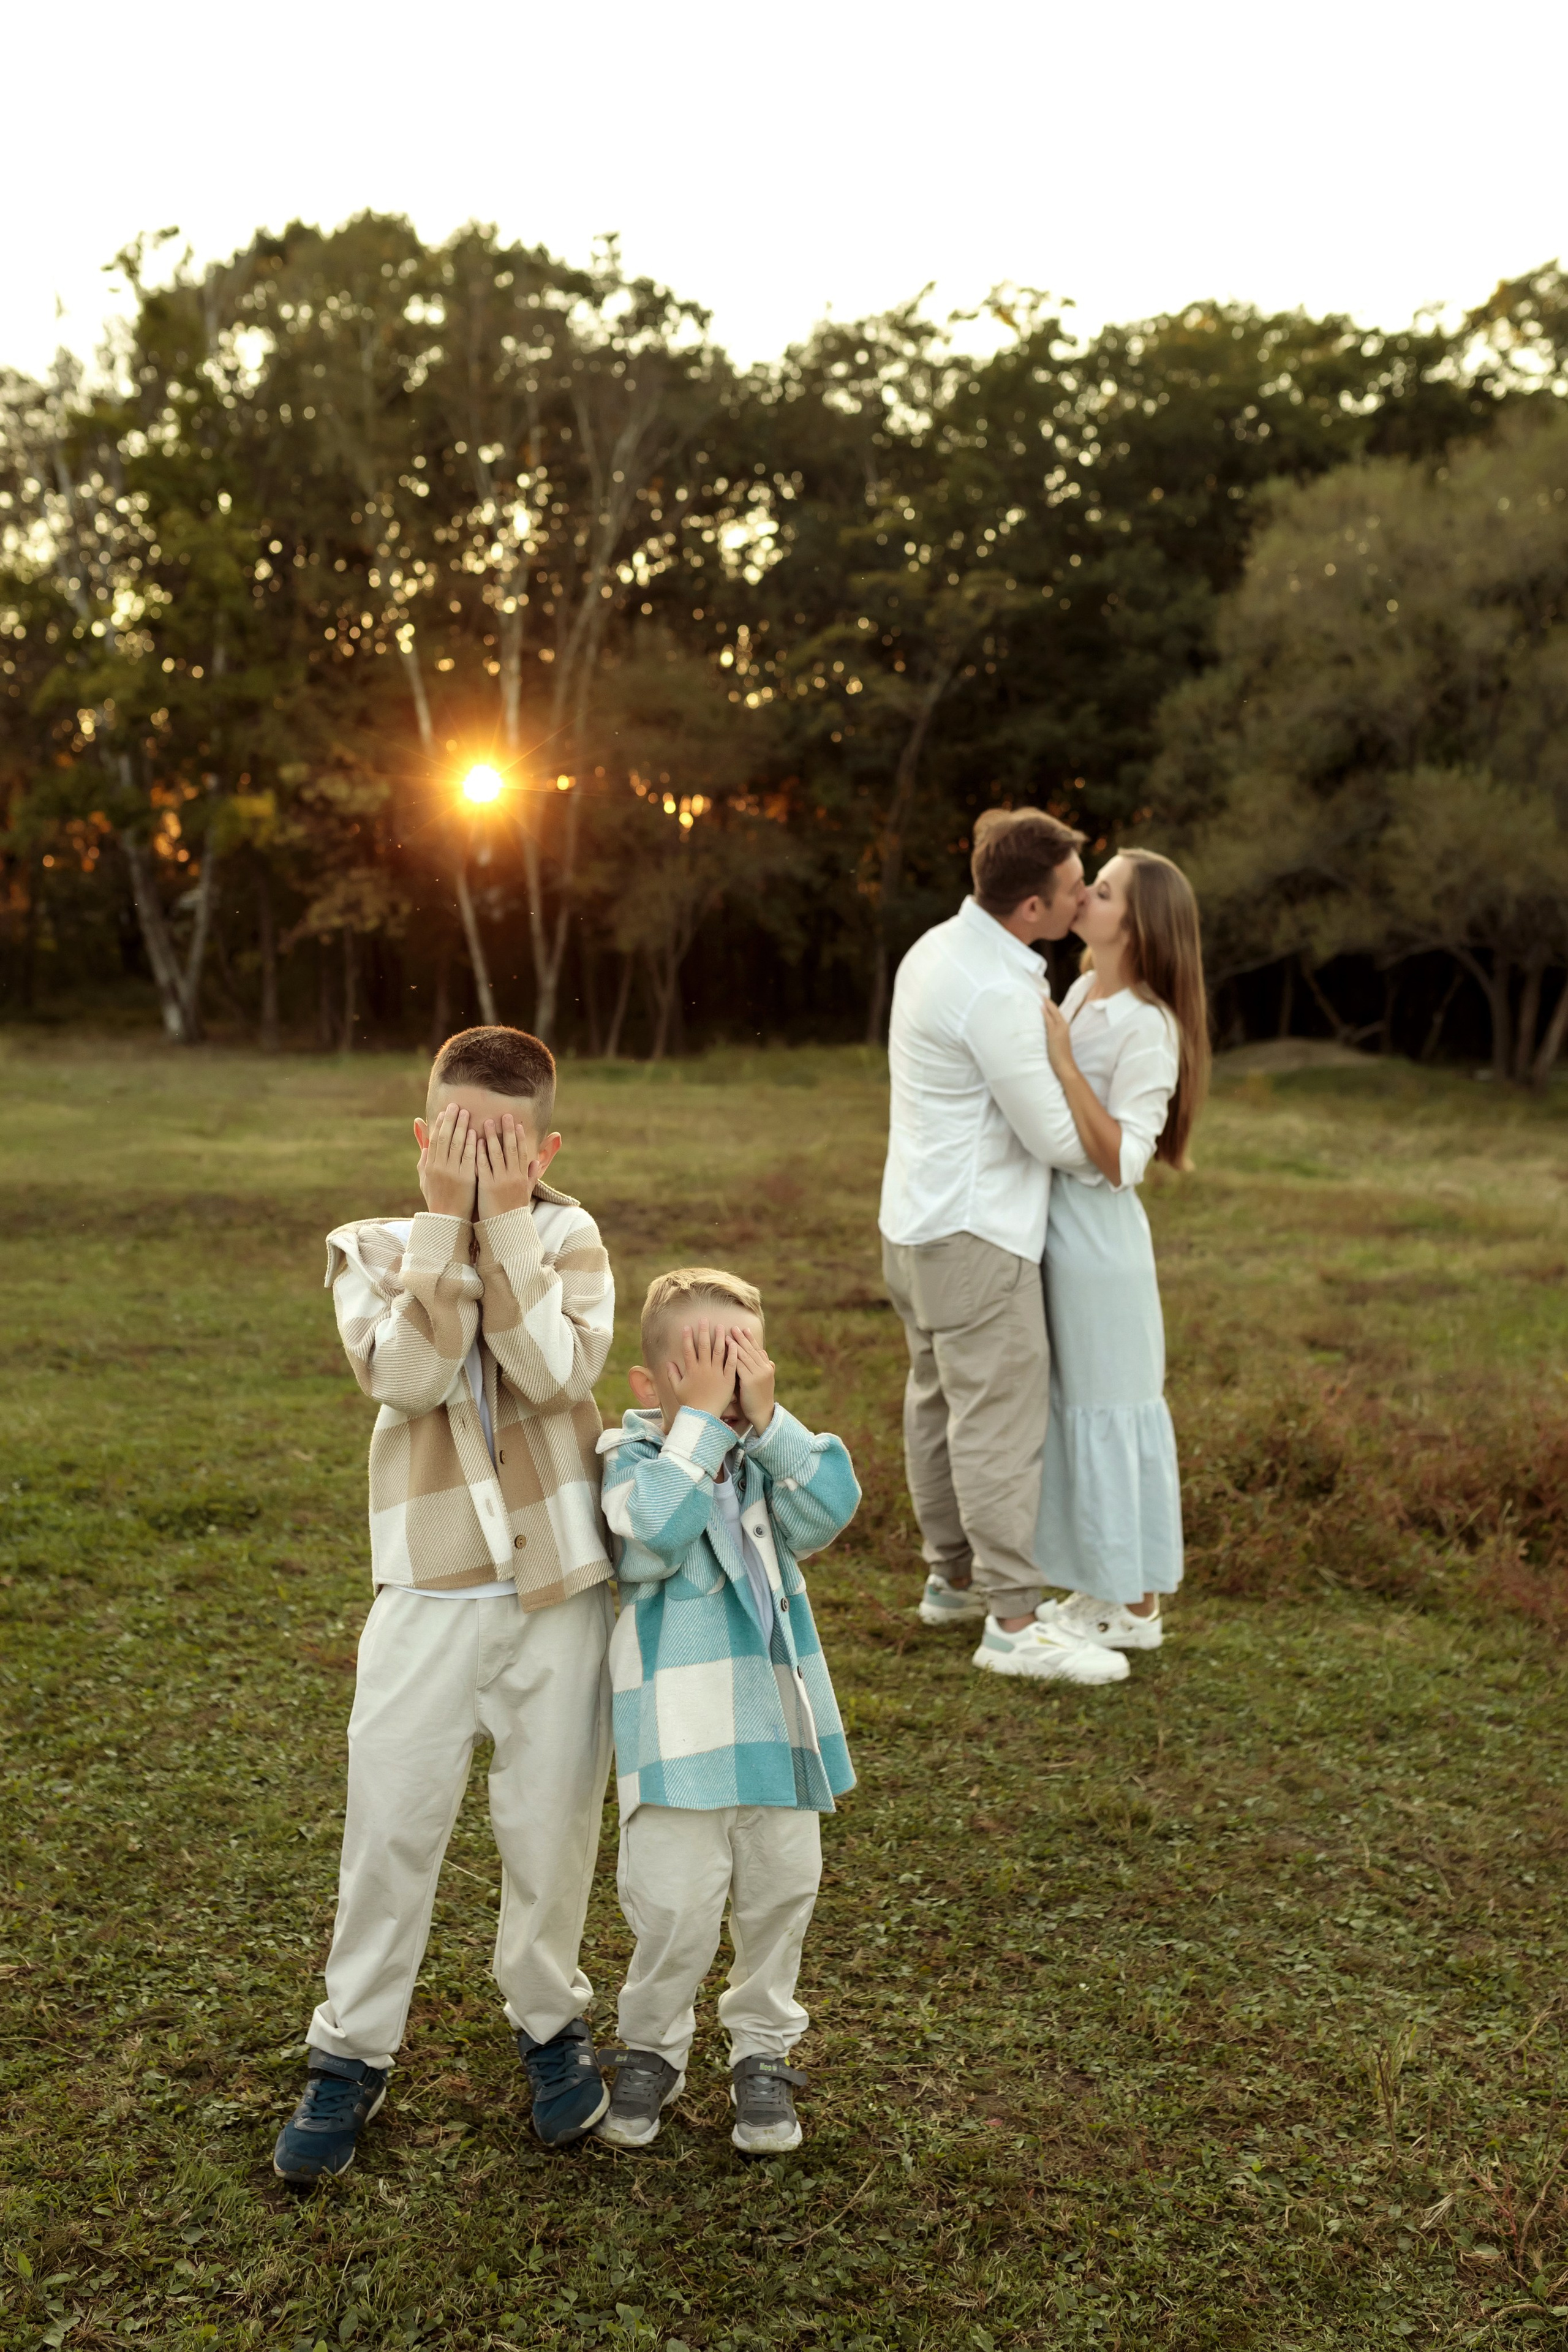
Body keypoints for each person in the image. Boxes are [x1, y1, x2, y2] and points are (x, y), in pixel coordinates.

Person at [273, 1026, 617, 2184]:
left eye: (503, 1146)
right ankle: (350, 2050)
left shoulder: (570, 1237)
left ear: (545, 1148)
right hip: (425, 1587)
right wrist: (444, 1232)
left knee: (551, 1824)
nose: (477, 1165)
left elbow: (554, 1374)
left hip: (558, 1583)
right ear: (424, 1139)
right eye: (458, 1142)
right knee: (392, 1821)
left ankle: (549, 2023)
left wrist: (507, 1227)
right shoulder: (370, 1245)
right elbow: (412, 1379)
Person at [594, 1268, 858, 2157]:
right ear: (650, 1385)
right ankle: (652, 2047)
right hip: (677, 1743)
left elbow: (832, 1507)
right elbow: (653, 1538)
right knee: (673, 1908)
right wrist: (696, 1428)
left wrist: (770, 1424)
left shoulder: (766, 1466)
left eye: (741, 1363)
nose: (725, 1389)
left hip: (777, 1737)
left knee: (782, 1894)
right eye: (702, 1367)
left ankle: (762, 2051)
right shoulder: (632, 1463)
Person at [879, 807, 1128, 1686]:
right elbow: (1059, 1140)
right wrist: (1068, 1065)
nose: (1082, 900)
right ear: (1031, 906)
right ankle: (1014, 1621)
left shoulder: (936, 948)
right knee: (995, 1426)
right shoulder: (998, 989)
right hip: (977, 1235)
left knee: (938, 1407)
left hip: (914, 1224)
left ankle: (952, 1581)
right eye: (1071, 890)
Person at [1032, 850, 1210, 1662]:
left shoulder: (1149, 1022)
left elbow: (1122, 1160)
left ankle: (1135, 1607)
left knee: (1112, 1411)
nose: (1083, 897)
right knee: (1078, 1413)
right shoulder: (1080, 990)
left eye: (1101, 892)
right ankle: (1099, 1589)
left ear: (1136, 927)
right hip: (1057, 1230)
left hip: (1101, 1243)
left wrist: (1065, 1063)